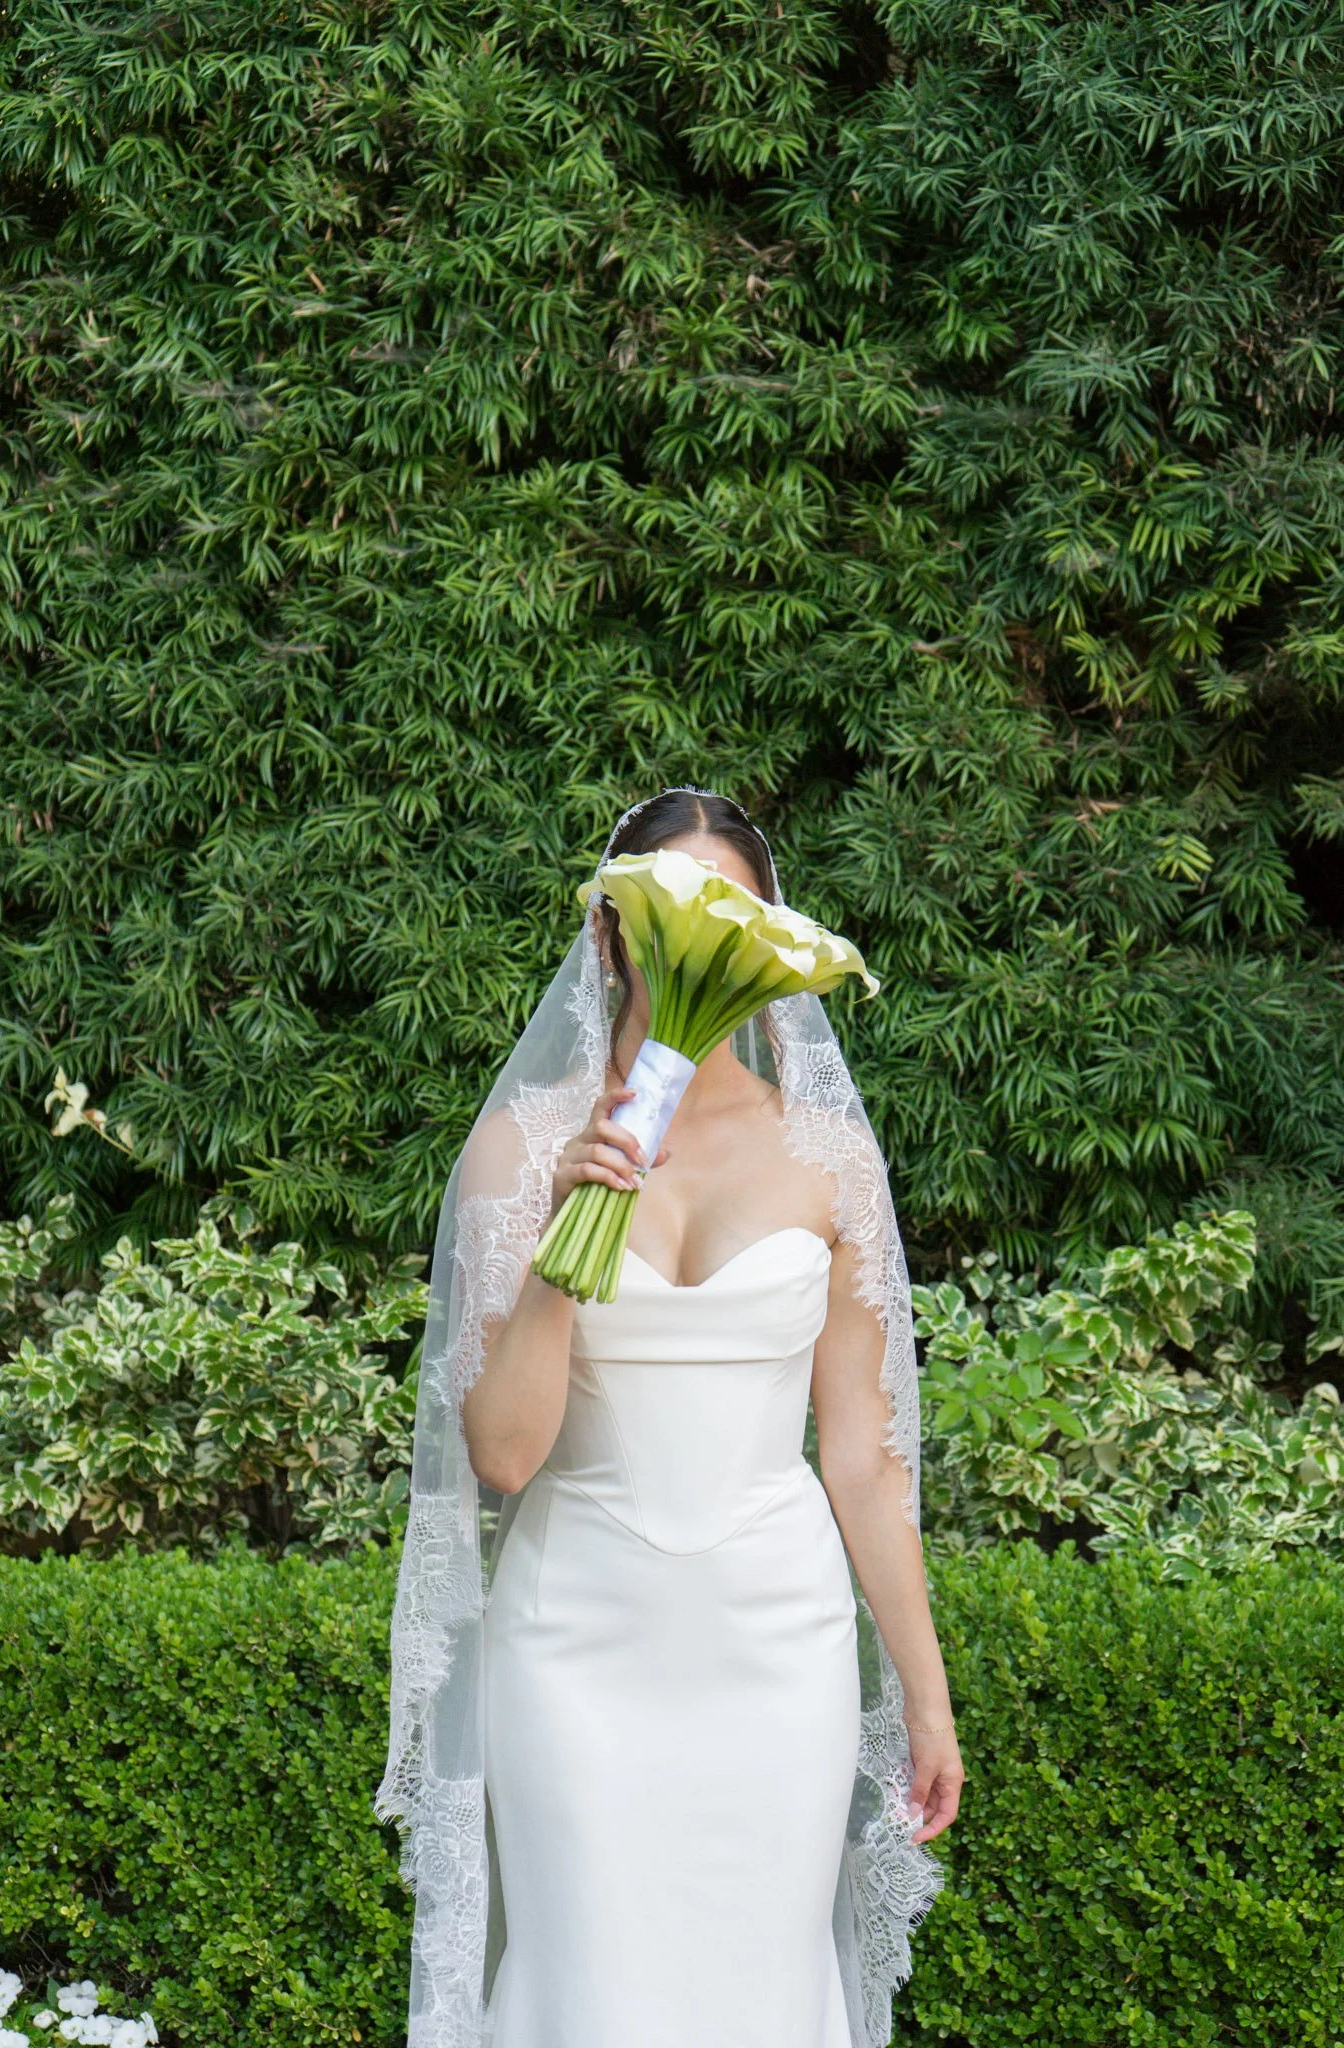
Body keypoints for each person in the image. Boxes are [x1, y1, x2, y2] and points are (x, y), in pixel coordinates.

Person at [377, 788, 961, 2048]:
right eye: (670, 912)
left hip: (779, 1644)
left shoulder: (828, 1157)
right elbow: (504, 1454)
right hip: (576, 1635)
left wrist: (925, 1695)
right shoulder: (523, 1149)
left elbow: (863, 1457)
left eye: (733, 919)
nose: (701, 946)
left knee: (759, 1986)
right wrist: (557, 1242)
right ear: (609, 935)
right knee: (593, 1989)